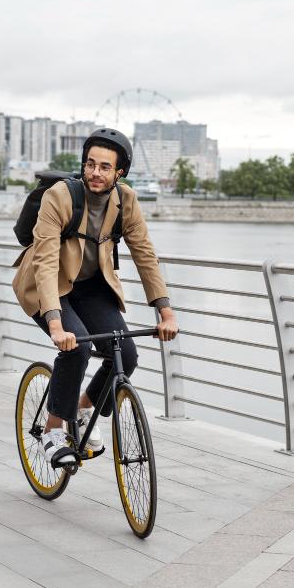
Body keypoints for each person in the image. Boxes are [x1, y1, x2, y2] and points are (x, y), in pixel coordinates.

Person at [12, 129, 179, 466]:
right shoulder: (58, 197)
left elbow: (145, 255)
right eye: (90, 164)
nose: (95, 172)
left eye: (105, 167)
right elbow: (45, 262)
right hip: (47, 285)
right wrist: (56, 325)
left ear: (120, 173)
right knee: (79, 348)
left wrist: (166, 311)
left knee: (126, 355)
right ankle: (53, 430)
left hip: (90, 285)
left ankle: (84, 408)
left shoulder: (127, 200)